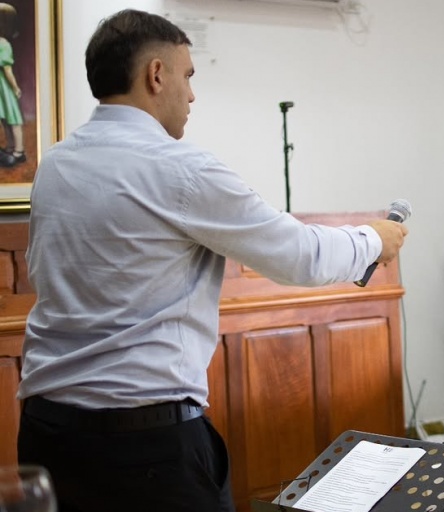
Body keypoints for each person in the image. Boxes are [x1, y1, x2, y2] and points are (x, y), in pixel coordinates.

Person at [16, 9, 407, 512]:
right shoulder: (181, 169)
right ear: (156, 75)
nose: (192, 95)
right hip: (144, 450)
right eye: (188, 75)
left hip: (48, 436)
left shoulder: (54, 165)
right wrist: (374, 239)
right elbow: (300, 256)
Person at [0, 2, 25, 167]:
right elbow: (7, 70)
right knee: (12, 119)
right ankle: (16, 149)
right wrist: (15, 88)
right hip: (4, 88)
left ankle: (14, 148)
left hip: (3, 88)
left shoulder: (2, 44)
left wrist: (14, 88)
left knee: (8, 120)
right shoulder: (4, 44)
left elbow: (6, 70)